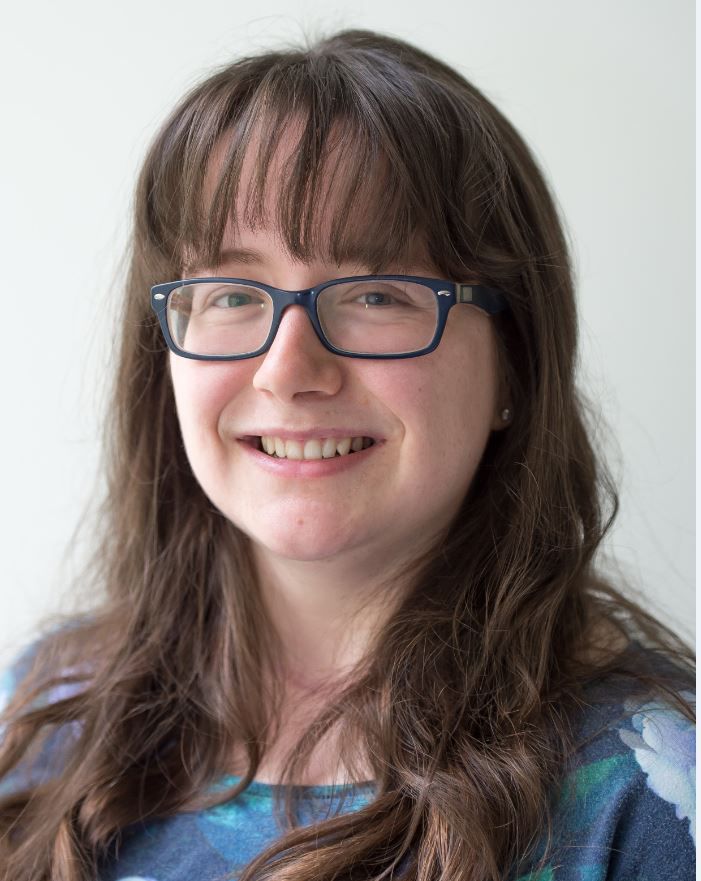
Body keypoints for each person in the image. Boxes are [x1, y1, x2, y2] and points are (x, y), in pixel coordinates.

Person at [0, 28, 694, 881]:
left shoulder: (647, 797)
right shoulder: (45, 714)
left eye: (376, 294)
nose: (288, 369)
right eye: (230, 292)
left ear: (515, 361)